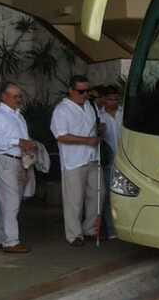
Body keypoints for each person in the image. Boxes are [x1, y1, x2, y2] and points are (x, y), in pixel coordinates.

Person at [50, 75, 102, 247]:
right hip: (73, 161)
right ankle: (74, 235)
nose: (85, 94)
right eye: (81, 91)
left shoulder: (90, 105)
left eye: (87, 90)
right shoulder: (62, 110)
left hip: (93, 157)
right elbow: (61, 136)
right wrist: (87, 141)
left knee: (98, 195)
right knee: (74, 200)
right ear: (71, 91)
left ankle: (90, 229)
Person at [0, 82, 34, 253]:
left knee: (11, 201)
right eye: (15, 96)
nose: (19, 99)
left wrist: (28, 149)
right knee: (11, 201)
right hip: (5, 161)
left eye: (20, 96)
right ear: (4, 97)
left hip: (20, 161)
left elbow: (24, 139)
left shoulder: (18, 116)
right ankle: (11, 242)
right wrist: (17, 142)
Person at [99, 85, 123, 239]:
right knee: (108, 197)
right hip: (109, 161)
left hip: (125, 161)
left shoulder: (124, 112)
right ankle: (111, 230)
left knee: (123, 196)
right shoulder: (99, 116)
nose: (113, 102)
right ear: (104, 100)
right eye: (109, 99)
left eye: (115, 99)